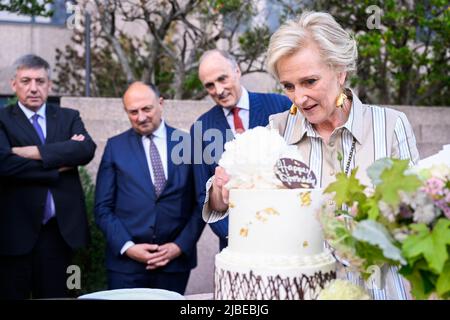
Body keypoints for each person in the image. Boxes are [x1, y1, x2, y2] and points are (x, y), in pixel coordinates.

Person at [204, 12, 419, 300]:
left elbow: (417, 217)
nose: (299, 98)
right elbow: (227, 202)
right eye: (289, 86)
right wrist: (221, 190)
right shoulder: (277, 130)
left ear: (340, 71)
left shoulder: (391, 126)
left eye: (310, 81)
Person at [0, 54, 96, 299]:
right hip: (14, 234)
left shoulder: (68, 117)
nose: (33, 88)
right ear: (14, 84)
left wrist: (30, 153)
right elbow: (4, 164)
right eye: (26, 81)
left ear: (49, 85)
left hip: (60, 235)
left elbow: (85, 150)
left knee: (61, 297)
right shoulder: (2, 120)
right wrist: (57, 164)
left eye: (40, 81)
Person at [95, 82, 205, 295]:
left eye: (146, 109)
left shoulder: (189, 144)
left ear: (161, 103)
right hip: (125, 266)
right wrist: (128, 247)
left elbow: (202, 203)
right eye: (133, 112)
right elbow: (102, 208)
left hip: (174, 264)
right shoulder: (114, 147)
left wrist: (179, 246)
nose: (141, 117)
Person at [192, 49, 291, 250]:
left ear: (237, 71)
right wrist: (238, 234)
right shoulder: (200, 128)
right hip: (235, 246)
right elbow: (204, 196)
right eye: (210, 85)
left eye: (222, 79)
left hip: (285, 238)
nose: (218, 90)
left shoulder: (281, 105)